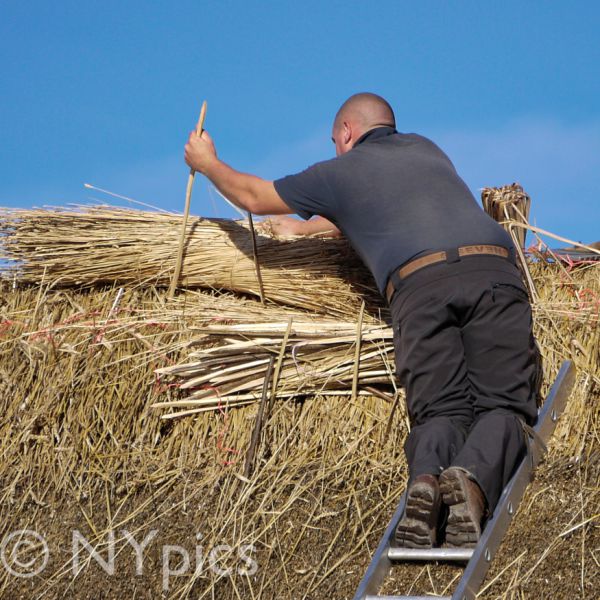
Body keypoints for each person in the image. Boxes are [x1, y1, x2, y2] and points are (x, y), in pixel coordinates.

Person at [184, 93, 539, 548]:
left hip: (419, 288)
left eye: (335, 141)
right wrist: (306, 228)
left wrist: (208, 161)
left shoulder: (338, 172)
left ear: (346, 133)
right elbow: (385, 209)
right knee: (502, 406)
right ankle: (470, 483)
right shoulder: (428, 151)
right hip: (491, 272)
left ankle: (427, 481)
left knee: (440, 411)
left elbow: (253, 196)